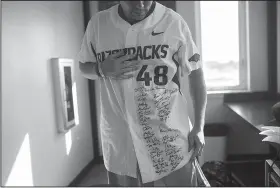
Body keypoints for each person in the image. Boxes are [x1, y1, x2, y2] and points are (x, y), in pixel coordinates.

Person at [77, 1, 207, 186]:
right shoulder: (99, 24)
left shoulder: (173, 22)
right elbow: (83, 66)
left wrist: (199, 127)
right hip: (121, 140)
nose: (141, 5)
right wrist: (101, 69)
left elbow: (196, 73)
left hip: (169, 139)